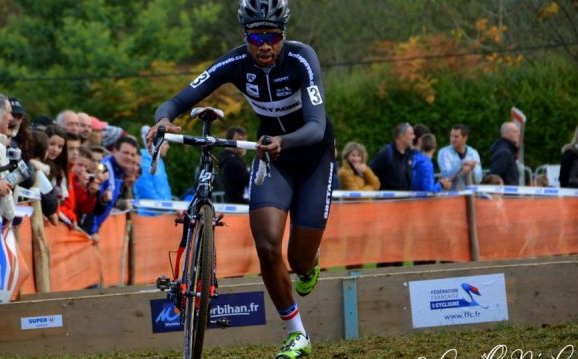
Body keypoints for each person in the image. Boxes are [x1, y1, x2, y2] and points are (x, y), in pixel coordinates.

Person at [147, 1, 335, 356]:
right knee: (266, 244)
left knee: (298, 260)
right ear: (245, 36)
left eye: (273, 36)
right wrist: (162, 119)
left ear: (284, 35)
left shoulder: (301, 59)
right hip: (270, 157)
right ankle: (297, 333)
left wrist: (284, 141)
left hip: (312, 157)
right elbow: (180, 99)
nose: (265, 45)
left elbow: (316, 126)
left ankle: (309, 261)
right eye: (256, 36)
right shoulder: (235, 62)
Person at [369, 122, 415, 190]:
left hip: (405, 199)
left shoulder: (409, 155)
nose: (414, 137)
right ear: (401, 136)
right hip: (387, 199)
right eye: (411, 134)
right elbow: (371, 174)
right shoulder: (386, 153)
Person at [437, 124, 482, 191]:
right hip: (451, 197)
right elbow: (446, 176)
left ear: (465, 138)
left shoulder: (473, 153)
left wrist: (472, 167)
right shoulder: (444, 152)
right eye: (451, 136)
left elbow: (479, 179)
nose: (452, 139)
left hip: (471, 197)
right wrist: (462, 163)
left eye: (456, 136)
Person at [217, 127, 250, 203]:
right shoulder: (232, 162)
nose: (244, 143)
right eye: (240, 140)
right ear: (230, 142)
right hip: (237, 208)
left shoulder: (228, 159)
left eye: (245, 140)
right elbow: (252, 182)